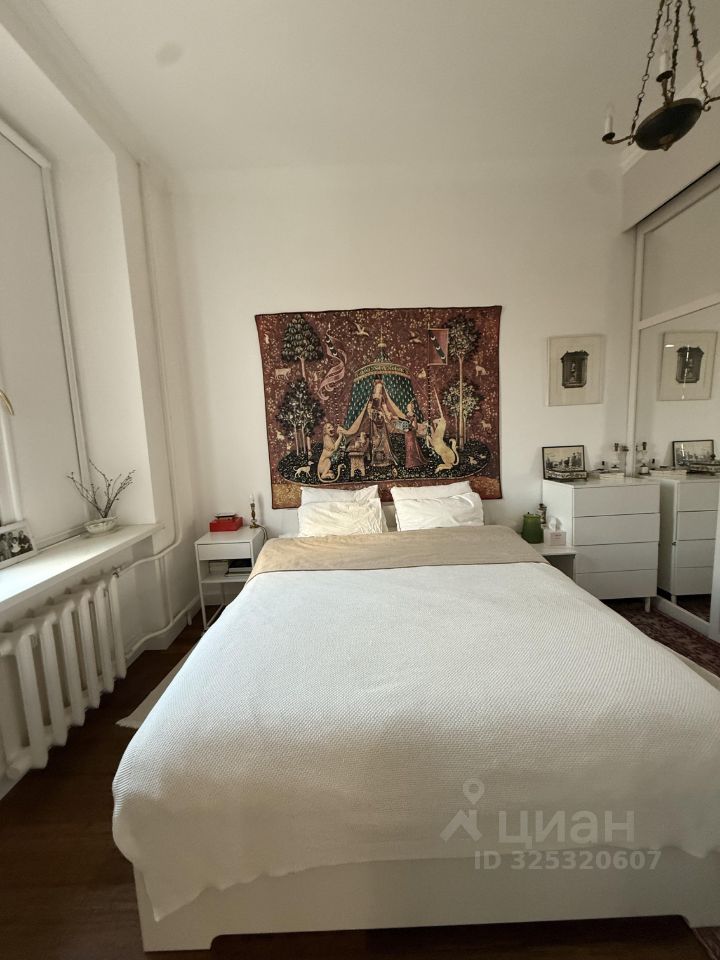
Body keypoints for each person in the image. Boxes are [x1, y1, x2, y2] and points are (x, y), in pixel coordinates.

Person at [403, 400, 427, 469]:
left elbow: (416, 427)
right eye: (408, 407)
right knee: (408, 447)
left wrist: (410, 429)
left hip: (411, 434)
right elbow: (404, 424)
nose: (409, 408)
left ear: (412, 408)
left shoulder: (414, 415)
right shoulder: (406, 415)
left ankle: (414, 462)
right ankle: (408, 462)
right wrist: (404, 428)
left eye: (410, 407)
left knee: (412, 447)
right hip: (406, 433)